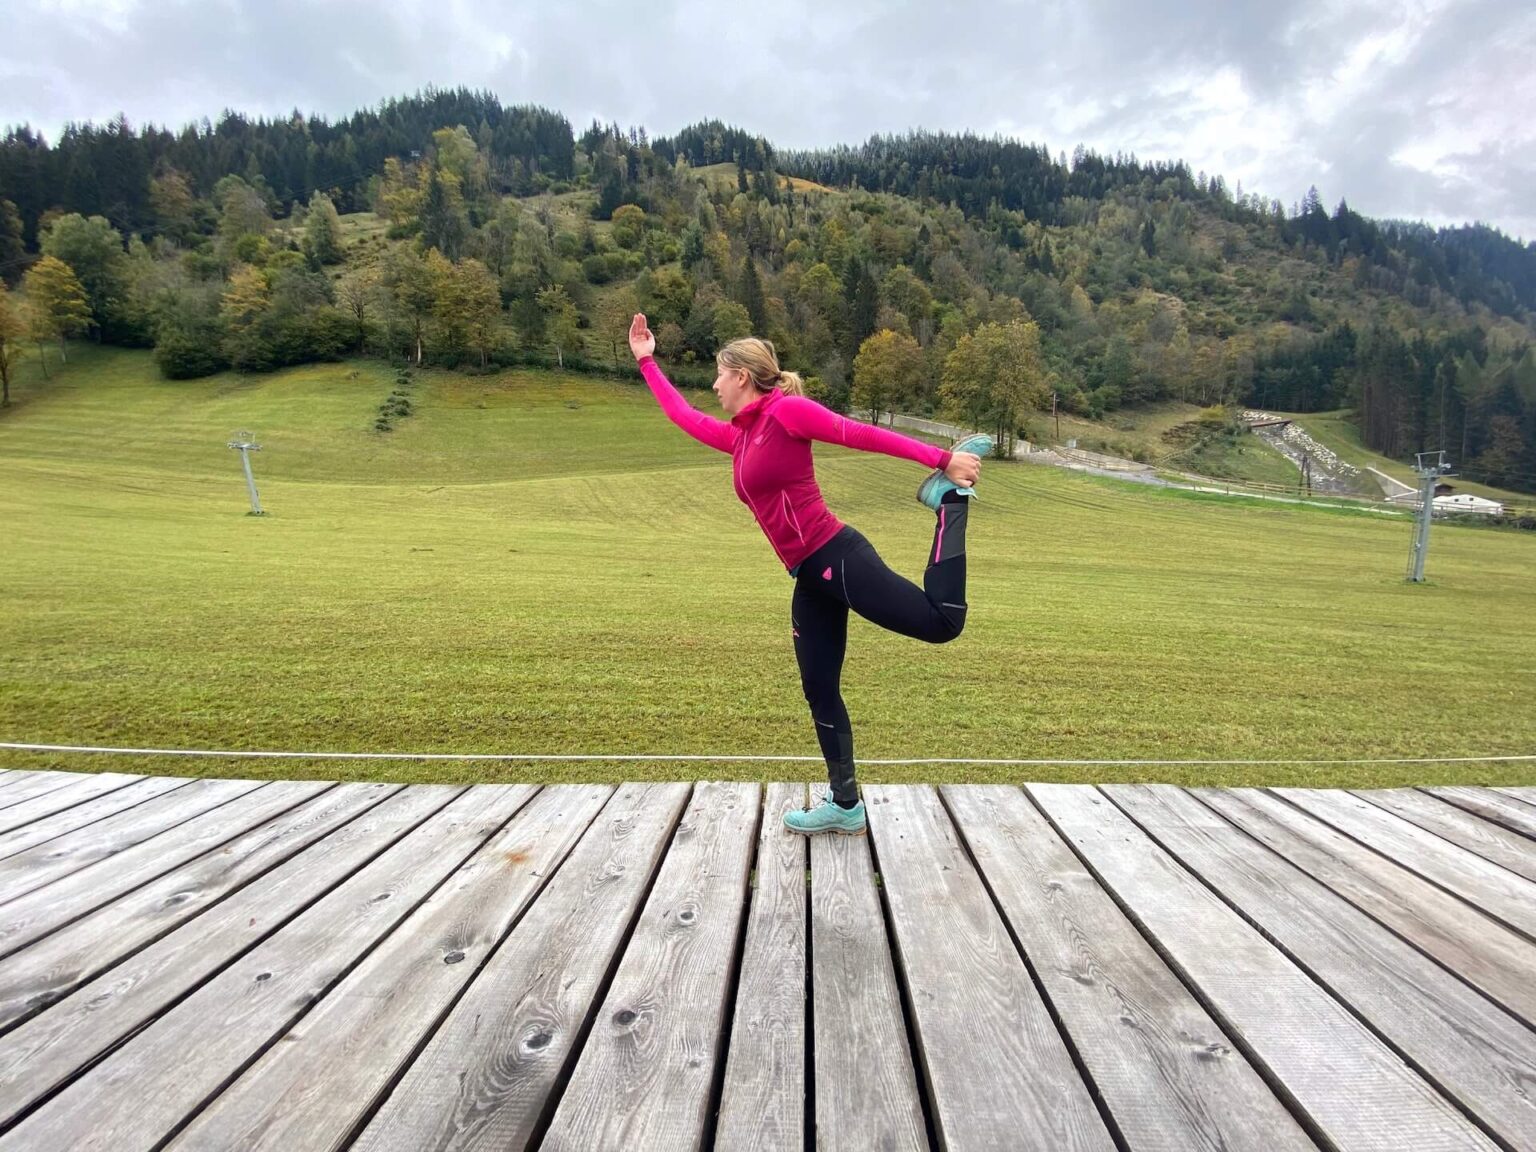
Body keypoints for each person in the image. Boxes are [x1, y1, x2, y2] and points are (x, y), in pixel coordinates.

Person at [627, 314, 990, 836]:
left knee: (943, 623)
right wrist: (646, 360)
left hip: (836, 555)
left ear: (743, 377)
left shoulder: (787, 413)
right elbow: (682, 415)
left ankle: (949, 502)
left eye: (719, 375)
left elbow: (856, 433)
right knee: (819, 686)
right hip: (808, 577)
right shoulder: (742, 438)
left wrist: (941, 459)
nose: (713, 385)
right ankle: (845, 804)